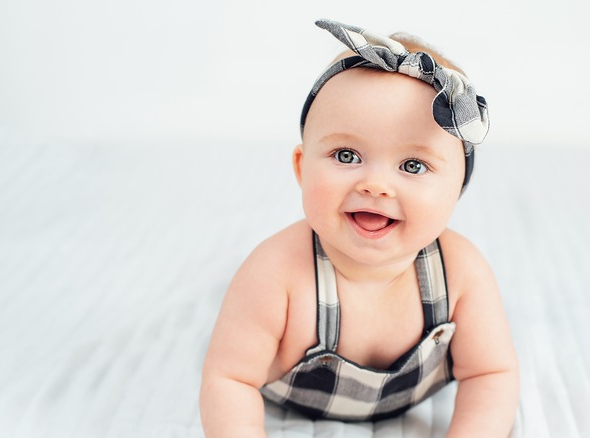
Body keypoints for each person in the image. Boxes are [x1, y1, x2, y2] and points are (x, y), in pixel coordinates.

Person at [200, 19, 519, 437]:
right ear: (301, 167)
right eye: (347, 155)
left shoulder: (461, 273)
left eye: (412, 165)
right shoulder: (276, 275)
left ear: (457, 187)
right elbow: (229, 379)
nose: (374, 185)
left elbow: (491, 374)